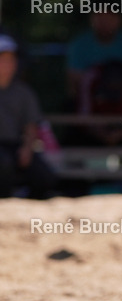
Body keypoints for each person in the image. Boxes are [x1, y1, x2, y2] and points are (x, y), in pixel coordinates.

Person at [0, 35, 57, 199]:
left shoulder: (24, 92)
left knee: (45, 177)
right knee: (4, 165)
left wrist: (27, 148)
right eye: (2, 60)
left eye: (11, 60)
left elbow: (31, 125)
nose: (7, 65)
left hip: (16, 145)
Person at [66, 11, 122, 100]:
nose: (105, 23)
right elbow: (74, 83)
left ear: (118, 20)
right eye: (100, 18)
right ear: (92, 19)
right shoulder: (79, 44)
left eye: (109, 18)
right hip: (91, 102)